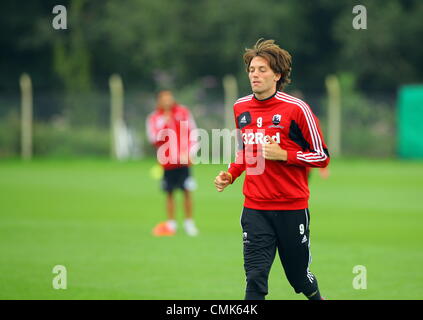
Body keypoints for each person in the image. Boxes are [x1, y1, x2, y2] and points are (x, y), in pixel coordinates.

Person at [214, 39, 330, 300]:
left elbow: (322, 156)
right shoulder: (240, 107)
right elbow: (247, 151)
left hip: (292, 208)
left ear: (277, 75)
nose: (255, 74)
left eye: (262, 69)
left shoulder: (297, 109)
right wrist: (231, 174)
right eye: (252, 69)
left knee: (299, 278)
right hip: (255, 208)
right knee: (255, 279)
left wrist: (284, 155)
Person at [146, 90, 199, 237]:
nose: (168, 101)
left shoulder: (183, 112)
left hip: (183, 161)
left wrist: (191, 153)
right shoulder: (154, 117)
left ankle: (189, 223)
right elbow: (153, 138)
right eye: (164, 99)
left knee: (187, 191)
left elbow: (193, 132)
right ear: (159, 101)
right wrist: (165, 121)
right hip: (167, 162)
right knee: (169, 193)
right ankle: (171, 224)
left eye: (170, 98)